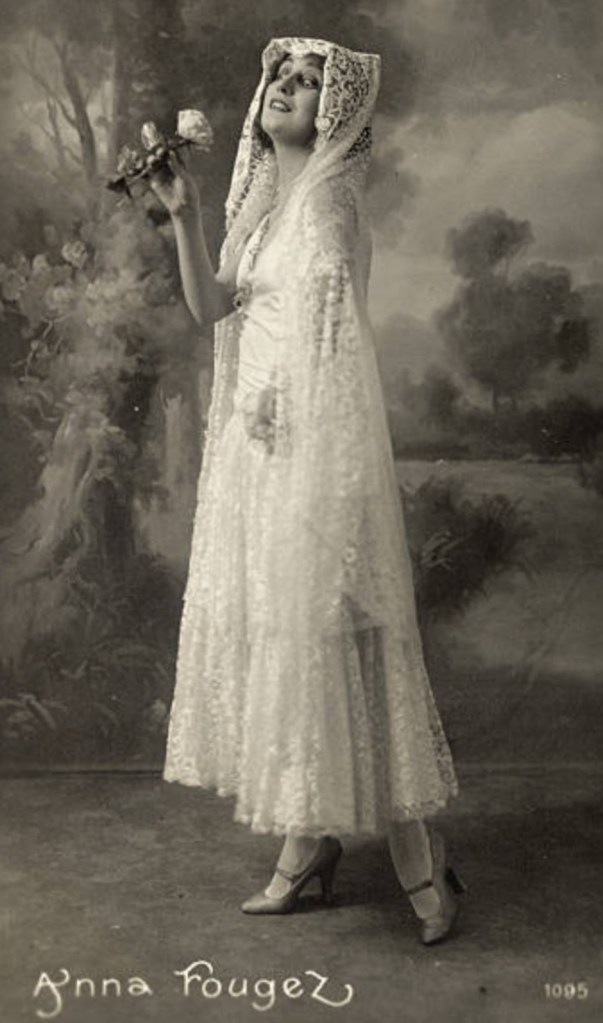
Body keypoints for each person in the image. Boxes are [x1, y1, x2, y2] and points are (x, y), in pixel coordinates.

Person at [153, 36, 464, 945]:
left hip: (313, 451)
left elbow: (331, 336)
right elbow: (214, 308)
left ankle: (418, 855)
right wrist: (184, 216)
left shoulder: (326, 201)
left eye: (309, 81)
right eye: (279, 78)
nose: (286, 88)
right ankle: (308, 838)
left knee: (340, 637)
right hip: (260, 456)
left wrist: (284, 408)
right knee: (288, 638)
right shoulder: (260, 202)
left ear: (336, 111)